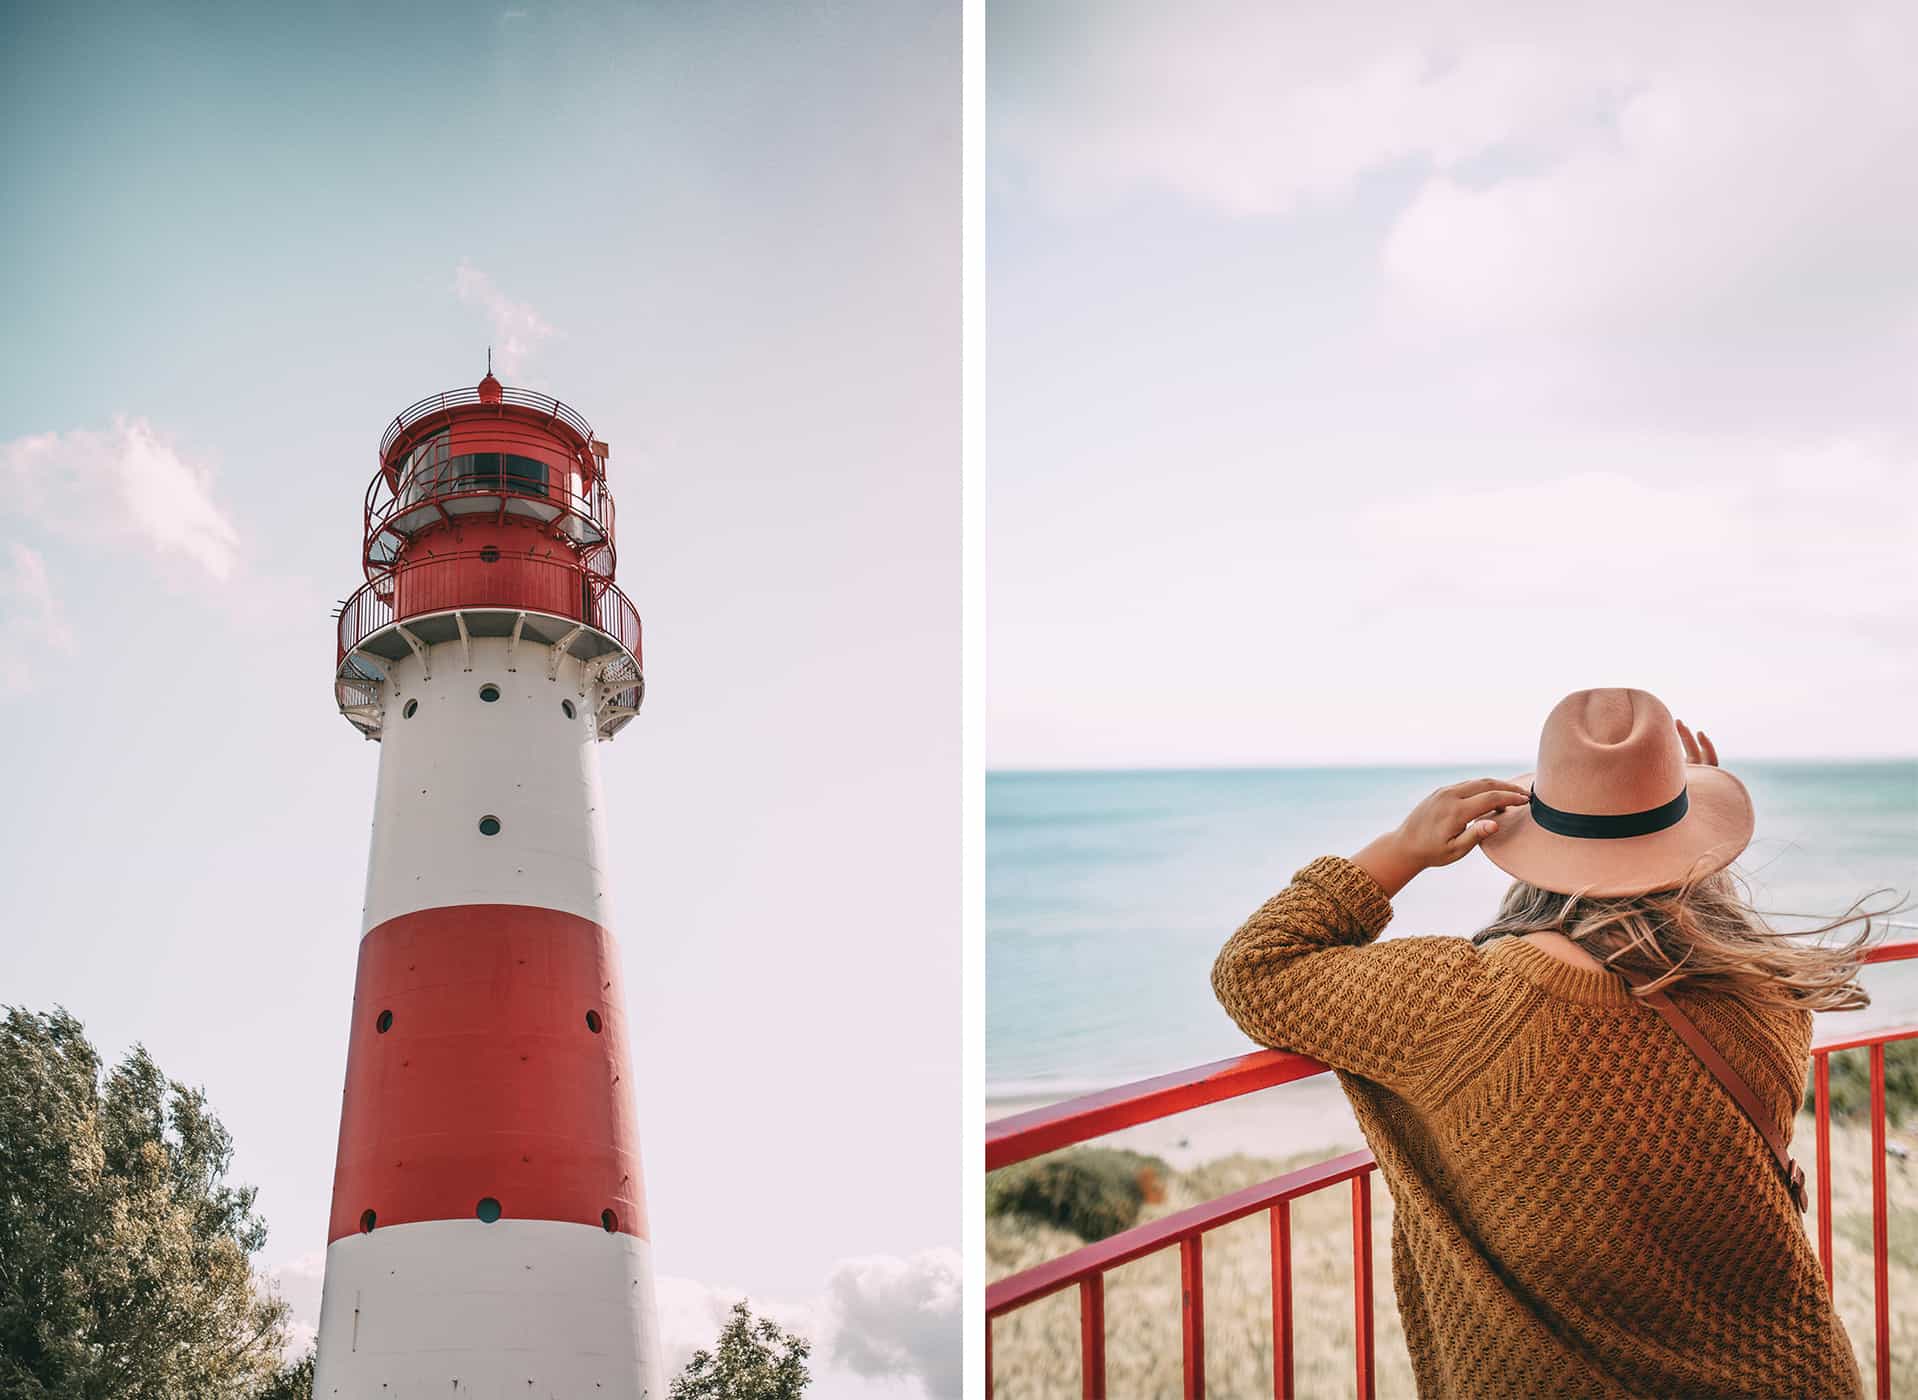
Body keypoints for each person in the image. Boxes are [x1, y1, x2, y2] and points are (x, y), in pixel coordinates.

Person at [1211, 688, 1876, 1399]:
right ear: (1695, 849)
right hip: (1797, 1377)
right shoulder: (1763, 994)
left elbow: (1257, 965)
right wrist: (1692, 855)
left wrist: (1401, 850)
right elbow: (1707, 942)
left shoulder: (1457, 1006)